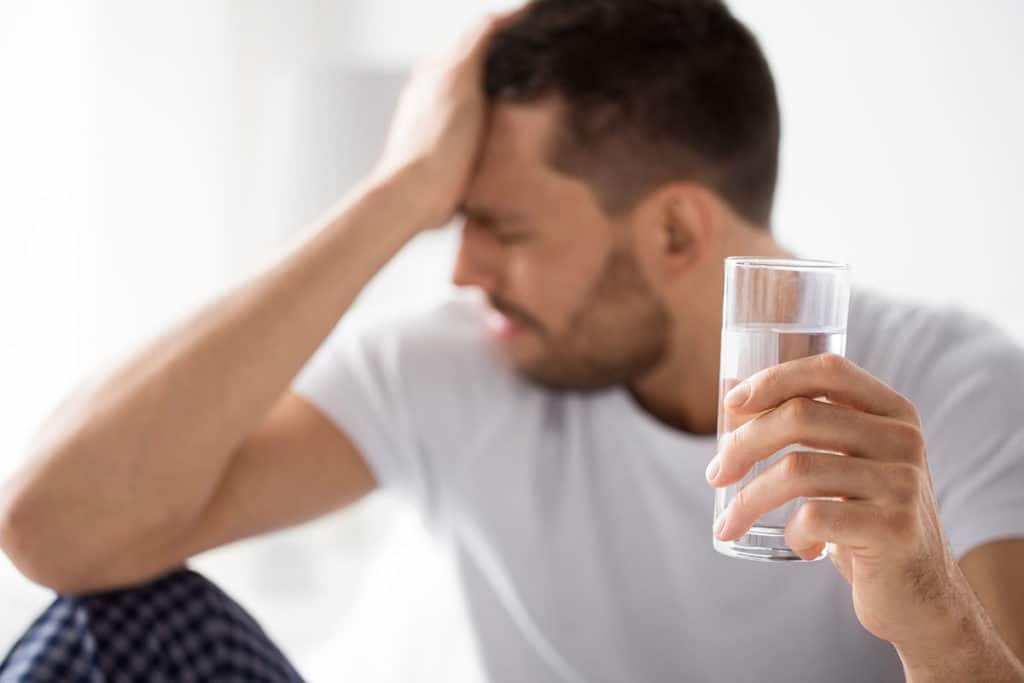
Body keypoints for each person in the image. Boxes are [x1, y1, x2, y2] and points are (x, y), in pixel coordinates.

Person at [2, 1, 1023, 681]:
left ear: (674, 230)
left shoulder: (953, 389)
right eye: (451, 215)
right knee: (110, 620)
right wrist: (392, 194)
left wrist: (931, 607)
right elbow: (56, 530)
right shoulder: (452, 362)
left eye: (506, 226)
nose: (461, 267)